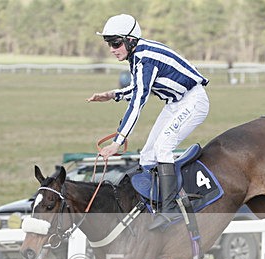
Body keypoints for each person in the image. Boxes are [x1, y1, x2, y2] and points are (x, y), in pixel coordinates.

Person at [88, 13, 210, 219]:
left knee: (163, 148)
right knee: (147, 155)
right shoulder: (138, 56)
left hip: (193, 101)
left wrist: (118, 142)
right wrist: (112, 95)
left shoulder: (145, 59)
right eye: (108, 43)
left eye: (116, 43)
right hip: (176, 103)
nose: (112, 49)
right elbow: (137, 89)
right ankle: (154, 206)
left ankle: (171, 209)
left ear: (130, 40)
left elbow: (138, 102)